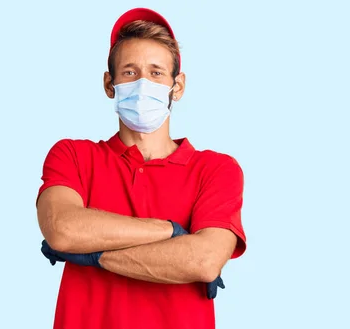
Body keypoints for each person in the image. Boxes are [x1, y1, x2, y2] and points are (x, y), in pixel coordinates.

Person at [35, 7, 247, 329]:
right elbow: (62, 229)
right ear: (110, 84)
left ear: (177, 86)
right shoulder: (73, 155)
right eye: (130, 72)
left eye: (157, 73)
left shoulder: (216, 169)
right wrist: (172, 232)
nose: (144, 84)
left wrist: (92, 254)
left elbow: (203, 260)